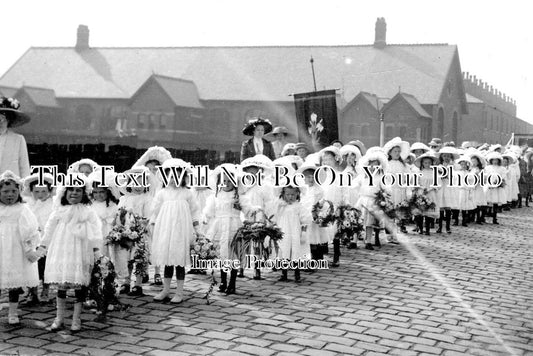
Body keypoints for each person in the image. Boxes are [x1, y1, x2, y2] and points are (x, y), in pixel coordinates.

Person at [41, 174, 103, 331]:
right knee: (62, 284)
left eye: (78, 190)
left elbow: (96, 230)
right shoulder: (59, 211)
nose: (74, 193)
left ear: (84, 194)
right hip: (61, 249)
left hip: (80, 249)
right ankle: (59, 318)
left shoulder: (88, 212)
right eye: (71, 190)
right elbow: (49, 229)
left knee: (79, 283)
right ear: (64, 192)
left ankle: (76, 319)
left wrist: (96, 250)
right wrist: (43, 246)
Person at [150, 159, 201, 303]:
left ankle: (179, 292)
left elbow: (195, 211)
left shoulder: (187, 193)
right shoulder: (162, 193)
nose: (174, 179)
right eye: (171, 176)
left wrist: (197, 229)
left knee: (179, 261)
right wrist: (153, 223)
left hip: (181, 231)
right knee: (167, 261)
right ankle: (165, 290)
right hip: (166, 229)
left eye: (178, 176)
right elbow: (155, 210)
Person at [0, 171, 41, 325]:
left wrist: (29, 248)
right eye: (5, 192)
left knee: (14, 282)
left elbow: (30, 230)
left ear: (19, 192)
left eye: (13, 191)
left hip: (15, 248)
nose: (10, 195)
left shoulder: (22, 209)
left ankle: (12, 311)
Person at [203, 163, 242, 294]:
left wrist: (242, 207)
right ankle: (223, 281)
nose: (227, 183)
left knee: (234, 255)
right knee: (222, 255)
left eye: (230, 181)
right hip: (220, 227)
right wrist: (205, 219)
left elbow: (247, 208)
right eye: (224, 181)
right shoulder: (216, 196)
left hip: (234, 226)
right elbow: (209, 211)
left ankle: (232, 283)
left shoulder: (238, 196)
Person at [21, 173, 55, 304]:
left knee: (45, 266)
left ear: (49, 191)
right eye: (36, 191)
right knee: (31, 266)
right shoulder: (28, 204)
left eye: (43, 191)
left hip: (46, 240)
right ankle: (32, 292)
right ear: (31, 191)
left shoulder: (52, 204)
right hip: (31, 239)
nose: (40, 195)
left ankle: (45, 290)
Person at [268, 184, 311, 283]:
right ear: (283, 194)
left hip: (295, 232)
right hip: (284, 231)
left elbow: (305, 220)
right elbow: (273, 217)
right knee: (284, 249)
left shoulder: (299, 206)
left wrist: (303, 232)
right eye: (288, 194)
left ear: (297, 194)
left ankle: (297, 273)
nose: (290, 197)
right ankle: (284, 273)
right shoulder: (280, 206)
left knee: (296, 250)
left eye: (293, 194)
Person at [0, 97, 31, 178]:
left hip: (11, 188)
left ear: (9, 120)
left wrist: (24, 189)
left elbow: (24, 169)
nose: (0, 122)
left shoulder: (18, 140)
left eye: (3, 118)